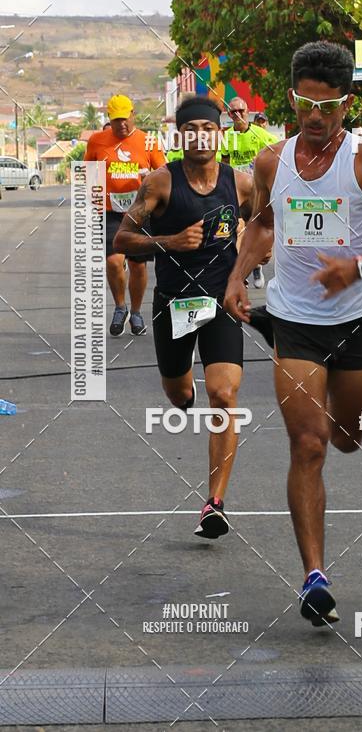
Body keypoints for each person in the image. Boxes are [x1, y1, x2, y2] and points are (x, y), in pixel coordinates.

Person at [223, 41, 362, 626]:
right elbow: (262, 224)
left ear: (346, 104)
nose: (315, 117)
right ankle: (314, 577)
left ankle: (339, 419)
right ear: (293, 98)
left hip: (353, 319)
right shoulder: (271, 162)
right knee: (308, 444)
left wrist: (358, 267)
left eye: (328, 106)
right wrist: (237, 275)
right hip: (294, 320)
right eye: (306, 104)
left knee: (346, 438)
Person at [114, 95, 253, 538]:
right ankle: (184, 390)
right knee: (178, 395)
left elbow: (265, 228)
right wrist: (170, 242)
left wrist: (249, 256)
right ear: (179, 137)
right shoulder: (160, 183)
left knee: (224, 394)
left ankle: (215, 503)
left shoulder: (241, 184)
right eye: (190, 130)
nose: (199, 137)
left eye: (207, 129)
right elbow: (122, 239)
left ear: (219, 134)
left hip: (221, 303)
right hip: (174, 304)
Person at [84, 94, 165, 336]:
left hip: (140, 213)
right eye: (116, 120)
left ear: (133, 115)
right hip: (111, 212)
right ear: (110, 119)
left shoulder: (148, 141)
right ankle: (120, 307)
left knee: (137, 266)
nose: (122, 124)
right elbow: (87, 172)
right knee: (113, 261)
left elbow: (163, 173)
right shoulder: (97, 141)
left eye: (125, 118)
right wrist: (92, 197)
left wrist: (149, 177)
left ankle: (136, 312)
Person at [220, 97, 279, 289]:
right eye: (233, 112)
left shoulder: (260, 134)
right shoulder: (226, 136)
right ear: (229, 114)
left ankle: (256, 266)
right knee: (238, 228)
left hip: (257, 191)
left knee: (257, 230)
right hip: (236, 190)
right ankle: (238, 273)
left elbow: (279, 155)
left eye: (241, 111)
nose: (238, 114)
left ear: (247, 112)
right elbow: (224, 162)